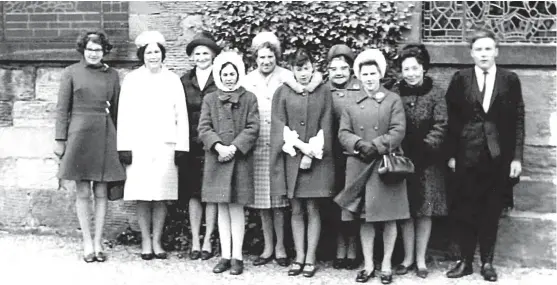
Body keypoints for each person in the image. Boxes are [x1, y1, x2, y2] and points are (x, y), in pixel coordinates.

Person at [444, 28, 524, 282]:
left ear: (496, 51)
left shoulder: (509, 80)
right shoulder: (460, 78)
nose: (483, 54)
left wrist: (516, 158)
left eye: (488, 48)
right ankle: (465, 261)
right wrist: (451, 154)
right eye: (478, 49)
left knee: (491, 210)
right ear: (471, 53)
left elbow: (518, 120)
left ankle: (487, 263)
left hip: (497, 157)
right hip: (466, 155)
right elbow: (451, 119)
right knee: (465, 210)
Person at [243, 31, 322, 267]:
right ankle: (268, 246)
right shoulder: (247, 80)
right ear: (255, 58)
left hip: (284, 144)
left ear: (276, 56)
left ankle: (281, 247)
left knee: (279, 200)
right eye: (261, 57)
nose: (265, 61)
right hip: (257, 143)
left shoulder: (287, 76)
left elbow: (313, 82)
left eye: (270, 56)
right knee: (261, 200)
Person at [336, 49, 408, 284]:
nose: (368, 78)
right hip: (359, 164)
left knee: (388, 217)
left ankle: (386, 264)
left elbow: (398, 130)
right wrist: (358, 144)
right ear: (358, 75)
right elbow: (343, 132)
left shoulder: (392, 100)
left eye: (372, 73)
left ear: (380, 74)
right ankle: (368, 265)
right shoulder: (351, 102)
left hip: (384, 165)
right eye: (364, 74)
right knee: (365, 218)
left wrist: (376, 145)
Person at [117, 31, 189, 260]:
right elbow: (124, 115)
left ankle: (157, 241)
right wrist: (124, 147)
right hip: (139, 146)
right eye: (148, 52)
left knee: (160, 195)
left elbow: (182, 115)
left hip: (165, 146)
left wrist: (181, 147)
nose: (153, 56)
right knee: (142, 194)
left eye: (157, 51)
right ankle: (145, 241)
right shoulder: (132, 80)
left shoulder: (172, 79)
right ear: (142, 55)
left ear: (163, 54)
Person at [54, 31, 126, 263]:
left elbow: (116, 110)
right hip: (79, 136)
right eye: (90, 49)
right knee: (83, 191)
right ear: (83, 51)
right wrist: (60, 140)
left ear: (104, 51)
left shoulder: (113, 75)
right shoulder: (71, 73)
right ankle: (86, 242)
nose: (94, 53)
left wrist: (120, 141)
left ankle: (98, 241)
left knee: (102, 191)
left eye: (98, 49)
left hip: (105, 135)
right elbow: (62, 109)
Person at [270, 48, 335, 278]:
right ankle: (298, 256)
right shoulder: (283, 92)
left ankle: (310, 258)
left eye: (307, 68)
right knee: (296, 208)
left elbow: (326, 125)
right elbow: (279, 125)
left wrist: (311, 153)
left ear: (313, 67)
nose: (303, 73)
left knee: (312, 208)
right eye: (299, 69)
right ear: (293, 70)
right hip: (291, 157)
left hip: (317, 159)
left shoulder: (324, 91)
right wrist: (300, 147)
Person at [197, 51, 260, 275]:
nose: (229, 78)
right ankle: (224, 254)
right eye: (225, 74)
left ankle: (237, 256)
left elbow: (253, 128)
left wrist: (233, 147)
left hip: (239, 160)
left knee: (236, 208)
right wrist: (218, 146)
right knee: (221, 207)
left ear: (238, 74)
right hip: (217, 159)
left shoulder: (249, 98)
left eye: (233, 73)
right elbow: (204, 127)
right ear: (219, 75)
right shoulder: (210, 99)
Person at [391, 44, 448, 279]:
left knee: (425, 210)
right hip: (402, 159)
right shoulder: (394, 92)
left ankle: (421, 259)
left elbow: (442, 124)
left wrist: (426, 147)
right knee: (405, 210)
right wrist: (401, 149)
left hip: (427, 160)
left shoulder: (436, 92)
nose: (411, 73)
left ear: (423, 68)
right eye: (406, 69)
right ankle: (407, 257)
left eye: (415, 68)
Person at [179, 31, 221, 261]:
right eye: (197, 53)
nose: (202, 57)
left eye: (206, 53)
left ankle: (208, 240)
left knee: (211, 194)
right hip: (191, 145)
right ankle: (195, 240)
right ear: (192, 57)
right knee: (193, 194)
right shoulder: (184, 81)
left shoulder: (221, 78)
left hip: (214, 144)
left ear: (213, 56)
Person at [325, 44, 360, 270]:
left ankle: (353, 247)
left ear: (351, 70)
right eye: (334, 68)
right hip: (329, 154)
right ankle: (339, 247)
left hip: (353, 154)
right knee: (334, 200)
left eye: (343, 68)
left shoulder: (359, 90)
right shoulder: (322, 90)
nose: (338, 72)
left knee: (353, 201)